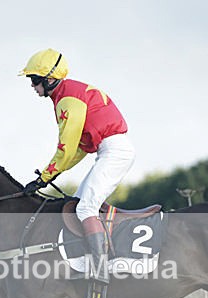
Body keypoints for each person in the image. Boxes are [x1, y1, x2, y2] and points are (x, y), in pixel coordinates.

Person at [19, 48, 134, 283]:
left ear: (49, 79)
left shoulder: (67, 100)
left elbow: (66, 149)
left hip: (115, 151)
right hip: (108, 150)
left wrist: (44, 179)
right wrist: (49, 176)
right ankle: (85, 261)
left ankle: (101, 270)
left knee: (84, 209)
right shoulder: (67, 93)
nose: (32, 86)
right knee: (79, 205)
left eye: (34, 80)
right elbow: (78, 150)